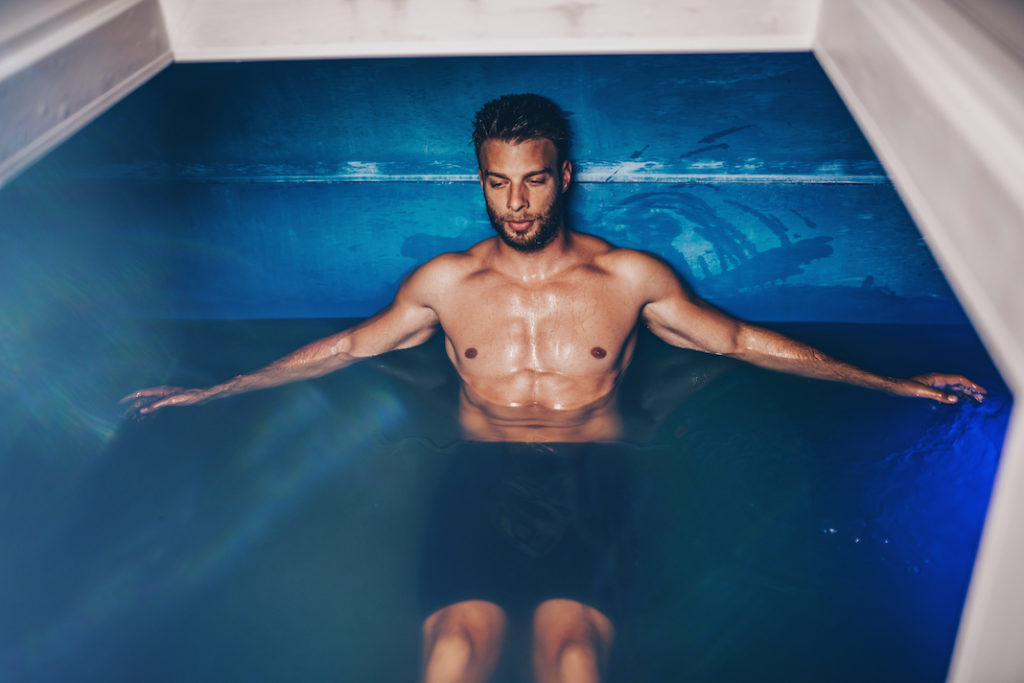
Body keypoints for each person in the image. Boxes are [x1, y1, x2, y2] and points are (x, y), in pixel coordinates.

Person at [122, 94, 986, 683]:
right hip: (477, 473)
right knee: (453, 655)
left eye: (533, 179)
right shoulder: (446, 284)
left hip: (592, 476)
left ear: (563, 176)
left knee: (570, 659)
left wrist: (891, 381)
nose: (517, 201)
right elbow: (349, 345)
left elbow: (738, 340)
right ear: (482, 180)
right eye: (498, 181)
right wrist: (217, 390)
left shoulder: (628, 277)